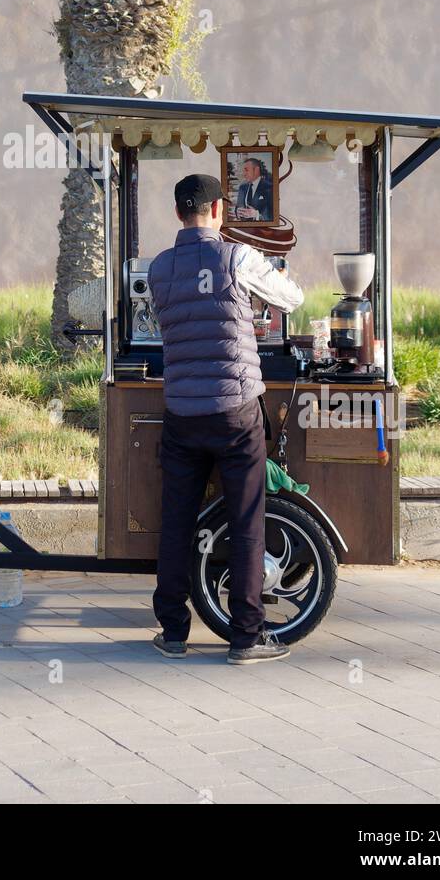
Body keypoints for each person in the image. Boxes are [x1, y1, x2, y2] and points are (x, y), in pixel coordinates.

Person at [147, 174, 303, 664]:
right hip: (235, 411)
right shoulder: (238, 257)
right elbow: (291, 298)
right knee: (246, 519)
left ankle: (173, 632)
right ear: (218, 210)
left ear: (178, 213)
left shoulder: (158, 267)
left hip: (182, 413)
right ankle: (245, 637)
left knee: (175, 520)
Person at [234, 156, 273, 222]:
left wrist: (257, 215)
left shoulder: (270, 188)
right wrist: (237, 212)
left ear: (256, 170)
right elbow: (238, 207)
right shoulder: (242, 188)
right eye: (243, 171)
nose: (244, 174)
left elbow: (273, 215)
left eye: (246, 170)